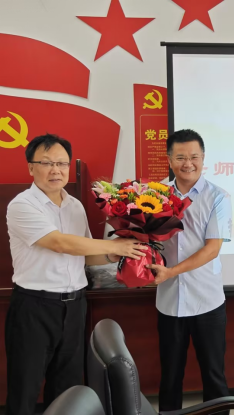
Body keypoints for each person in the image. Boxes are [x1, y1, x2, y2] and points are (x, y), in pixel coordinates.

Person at [5, 134, 147, 415]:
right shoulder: (22, 205)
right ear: (31, 167)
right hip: (34, 308)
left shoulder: (75, 205)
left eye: (61, 163)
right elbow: (59, 243)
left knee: (68, 390)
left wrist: (114, 255)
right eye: (46, 163)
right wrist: (114, 245)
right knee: (24, 389)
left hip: (74, 306)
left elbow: (84, 253)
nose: (55, 170)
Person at [147, 129, 232, 412]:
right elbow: (146, 237)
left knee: (214, 376)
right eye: (181, 157)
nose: (188, 163)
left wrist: (171, 272)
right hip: (169, 301)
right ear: (169, 159)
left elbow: (212, 249)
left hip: (207, 300)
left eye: (194, 157)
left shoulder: (218, 197)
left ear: (203, 158)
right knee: (170, 377)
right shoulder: (154, 194)